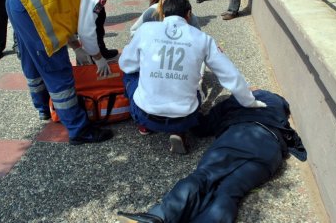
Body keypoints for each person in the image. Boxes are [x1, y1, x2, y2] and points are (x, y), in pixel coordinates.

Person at [117, 89, 307, 223]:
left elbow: (203, 127)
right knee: (230, 191)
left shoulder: (239, 100)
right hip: (270, 149)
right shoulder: (278, 108)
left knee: (204, 177)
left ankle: (160, 216)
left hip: (240, 135)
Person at [5, 0, 132, 145]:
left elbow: (63, 12)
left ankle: (44, 108)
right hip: (32, 8)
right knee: (58, 68)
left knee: (32, 59)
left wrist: (77, 48)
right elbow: (87, 27)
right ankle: (79, 129)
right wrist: (98, 57)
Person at [119, 0, 267, 154]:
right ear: (188, 14)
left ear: (163, 14)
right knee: (195, 88)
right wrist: (249, 101)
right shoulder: (203, 38)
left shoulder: (146, 30)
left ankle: (144, 126)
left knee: (129, 75)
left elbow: (126, 64)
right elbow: (229, 74)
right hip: (185, 118)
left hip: (145, 115)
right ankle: (179, 131)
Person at [129, 0, 199, 36]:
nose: (167, 5)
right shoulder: (152, 12)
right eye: (165, 1)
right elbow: (134, 31)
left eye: (173, 1)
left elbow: (198, 38)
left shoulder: (190, 17)